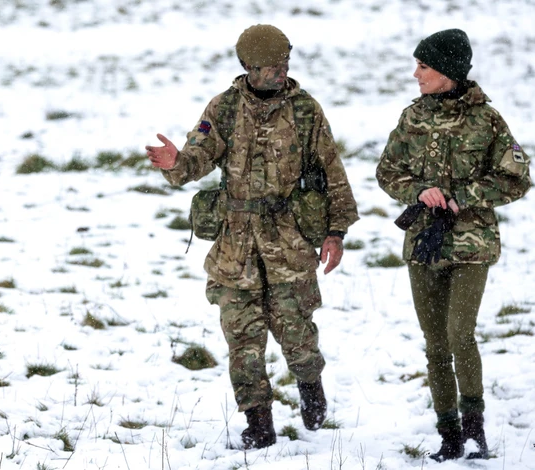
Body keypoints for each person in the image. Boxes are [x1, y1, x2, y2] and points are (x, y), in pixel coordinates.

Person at [145, 24, 359, 449]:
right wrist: (176, 162)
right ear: (247, 67)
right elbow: (195, 160)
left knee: (295, 333)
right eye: (269, 67)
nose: (280, 73)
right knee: (242, 340)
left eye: (284, 64)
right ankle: (258, 423)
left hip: (288, 244)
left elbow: (333, 173)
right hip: (234, 249)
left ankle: (309, 381)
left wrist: (335, 232)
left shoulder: (304, 111)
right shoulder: (223, 109)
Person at [376, 29, 532, 462]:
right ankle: (447, 434)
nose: (416, 74)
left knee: (460, 335)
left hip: (471, 246)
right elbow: (387, 171)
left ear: (447, 70)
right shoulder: (412, 118)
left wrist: (466, 197)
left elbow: (518, 177)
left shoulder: (488, 120)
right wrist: (420, 190)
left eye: (423, 66)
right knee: (434, 346)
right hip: (423, 245)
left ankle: (474, 430)